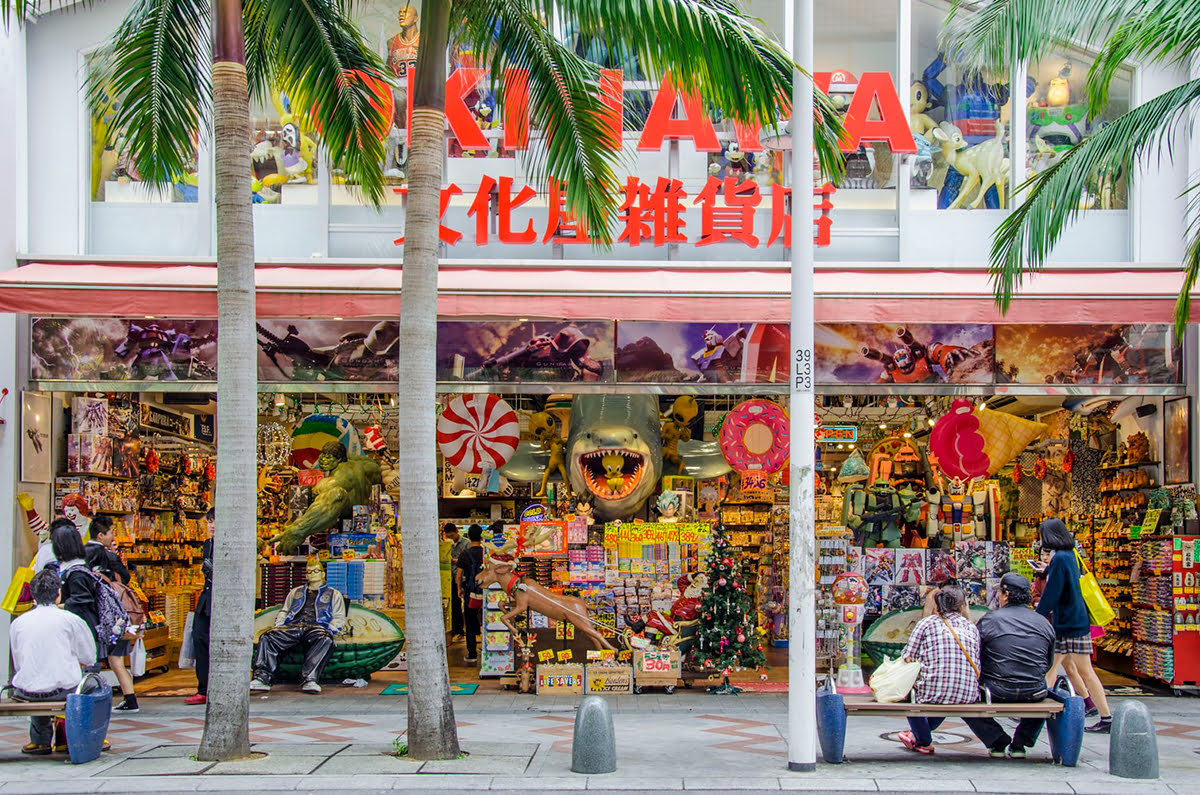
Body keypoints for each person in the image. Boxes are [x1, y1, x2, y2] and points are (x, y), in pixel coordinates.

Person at [962, 573, 1055, 758]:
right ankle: (1020, 743)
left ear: (1005, 594)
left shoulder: (990, 619)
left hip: (995, 691)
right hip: (1034, 691)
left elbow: (975, 655)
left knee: (963, 695)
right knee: (1043, 690)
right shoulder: (1044, 623)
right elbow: (1048, 662)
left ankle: (996, 740)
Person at [9, 569, 99, 754]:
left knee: (36, 676)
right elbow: (89, 657)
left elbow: (19, 663)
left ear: (33, 595)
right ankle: (73, 735)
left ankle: (40, 740)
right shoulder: (71, 620)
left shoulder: (18, 623)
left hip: (27, 692)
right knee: (94, 684)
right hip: (63, 690)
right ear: (59, 593)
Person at [1036, 518, 1112, 733]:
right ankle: (1105, 716)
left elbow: (1054, 592)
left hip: (1065, 623)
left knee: (1053, 668)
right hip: (1077, 621)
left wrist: (1038, 614)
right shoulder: (1070, 555)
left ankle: (1037, 713)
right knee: (1083, 671)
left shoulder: (1060, 558)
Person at [897, 585, 981, 755]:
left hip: (934, 693)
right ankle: (916, 735)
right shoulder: (971, 627)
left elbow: (907, 657)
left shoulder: (926, 623)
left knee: (910, 697)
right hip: (968, 694)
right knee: (944, 694)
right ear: (962, 605)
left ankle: (923, 741)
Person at [251, 557, 346, 693]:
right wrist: (279, 624)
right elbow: (285, 610)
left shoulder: (334, 594)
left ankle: (310, 679)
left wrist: (331, 629)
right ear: (306, 575)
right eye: (309, 572)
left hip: (317, 627)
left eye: (316, 571)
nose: (312, 574)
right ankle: (262, 677)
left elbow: (338, 616)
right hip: (293, 626)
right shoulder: (295, 592)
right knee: (267, 637)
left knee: (325, 639)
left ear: (322, 573)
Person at [85, 516, 138, 713]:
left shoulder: (82, 555)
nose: (113, 536)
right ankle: (130, 698)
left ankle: (90, 697)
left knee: (92, 659)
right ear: (101, 535)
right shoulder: (109, 557)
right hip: (114, 614)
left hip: (93, 615)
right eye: (111, 533)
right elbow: (124, 579)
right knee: (116, 659)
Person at [51, 521, 101, 663]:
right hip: (79, 631)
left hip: (81, 634)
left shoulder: (76, 573)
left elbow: (80, 602)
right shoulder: (78, 568)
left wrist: (55, 606)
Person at [186, 510, 215, 705]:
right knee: (199, 638)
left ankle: (209, 687)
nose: (212, 525)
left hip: (220, 599)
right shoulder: (208, 544)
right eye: (210, 522)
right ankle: (203, 687)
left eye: (215, 522)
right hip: (206, 599)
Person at [456, 525, 485, 665]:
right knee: (487, 619)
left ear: (468, 536)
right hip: (486, 591)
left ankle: (472, 653)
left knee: (469, 620)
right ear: (481, 536)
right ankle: (488, 648)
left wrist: (459, 588)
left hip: (470, 591)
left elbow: (459, 574)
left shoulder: (464, 554)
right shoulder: (486, 553)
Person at [444, 522, 468, 641]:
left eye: (452, 535)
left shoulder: (466, 543)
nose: (450, 538)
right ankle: (458, 631)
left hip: (464, 578)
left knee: (468, 605)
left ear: (457, 532)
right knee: (455, 606)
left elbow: (469, 560)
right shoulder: (446, 545)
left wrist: (457, 561)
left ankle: (469, 631)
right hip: (451, 579)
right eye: (448, 536)